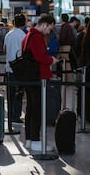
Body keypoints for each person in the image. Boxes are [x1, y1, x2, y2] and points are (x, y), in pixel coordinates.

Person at [22, 14, 59, 152]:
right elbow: (39, 57)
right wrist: (51, 60)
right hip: (37, 77)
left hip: (28, 77)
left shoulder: (28, 35)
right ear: (44, 24)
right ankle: (36, 141)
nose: (49, 32)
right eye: (50, 28)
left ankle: (29, 140)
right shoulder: (37, 37)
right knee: (37, 110)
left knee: (31, 109)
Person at [4, 14, 26, 124]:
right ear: (24, 23)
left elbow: (5, 49)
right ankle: (16, 116)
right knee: (19, 93)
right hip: (19, 69)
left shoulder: (8, 35)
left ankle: (10, 115)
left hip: (8, 67)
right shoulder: (23, 36)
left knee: (10, 94)